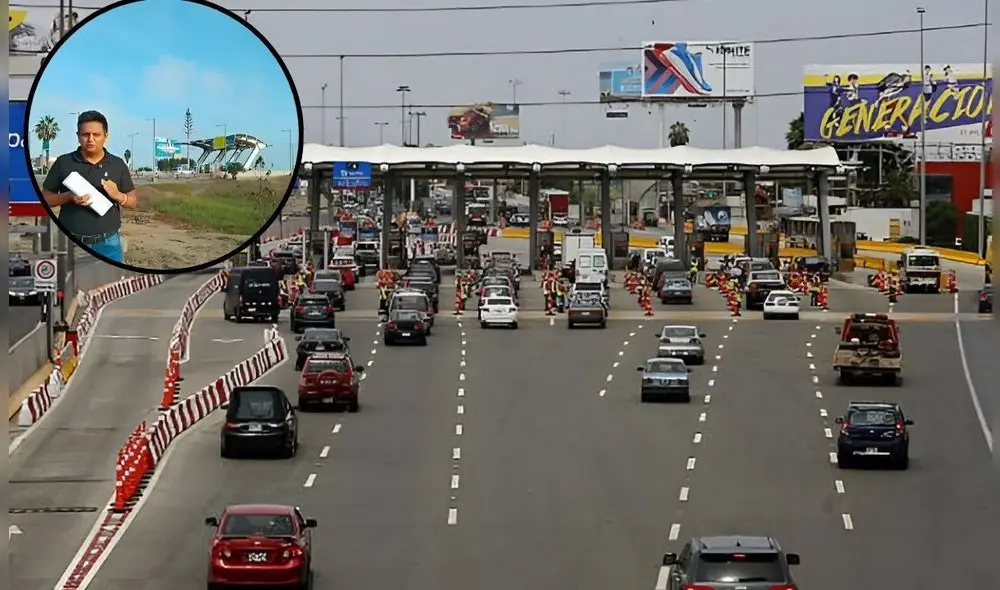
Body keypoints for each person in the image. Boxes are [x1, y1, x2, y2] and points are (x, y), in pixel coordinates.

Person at [40, 111, 137, 263]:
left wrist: (118, 195)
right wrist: (68, 197)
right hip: (70, 243)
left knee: (113, 284)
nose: (91, 139)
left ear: (106, 136)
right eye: (85, 134)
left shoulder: (118, 165)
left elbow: (133, 201)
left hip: (109, 244)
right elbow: (45, 199)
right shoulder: (63, 163)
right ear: (78, 136)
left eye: (96, 134)